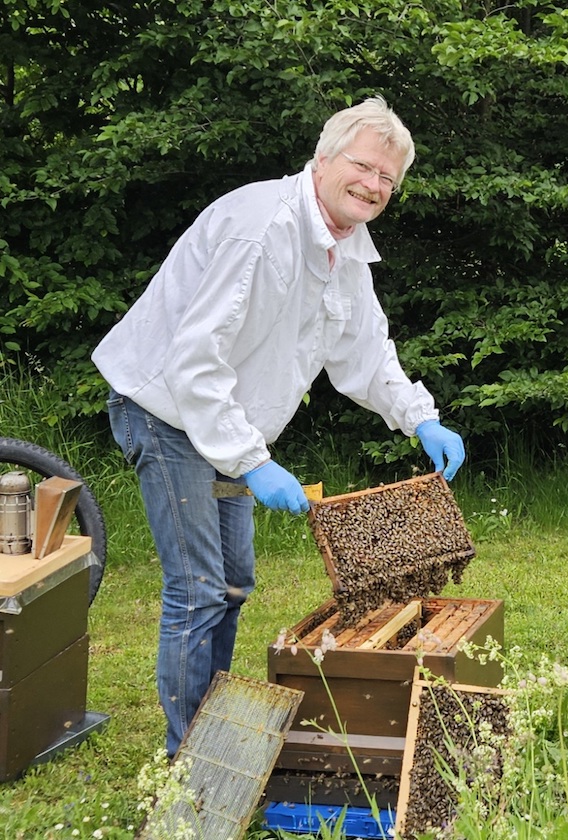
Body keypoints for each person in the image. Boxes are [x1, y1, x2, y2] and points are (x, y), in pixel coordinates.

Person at [91, 96, 465, 757]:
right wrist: (251, 460)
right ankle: (192, 757)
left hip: (225, 426)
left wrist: (419, 417)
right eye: (363, 167)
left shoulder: (345, 247)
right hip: (166, 411)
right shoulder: (262, 227)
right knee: (199, 585)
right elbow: (194, 358)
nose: (374, 186)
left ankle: (215, 724)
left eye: (387, 179)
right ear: (323, 159)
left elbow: (365, 351)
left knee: (233, 582)